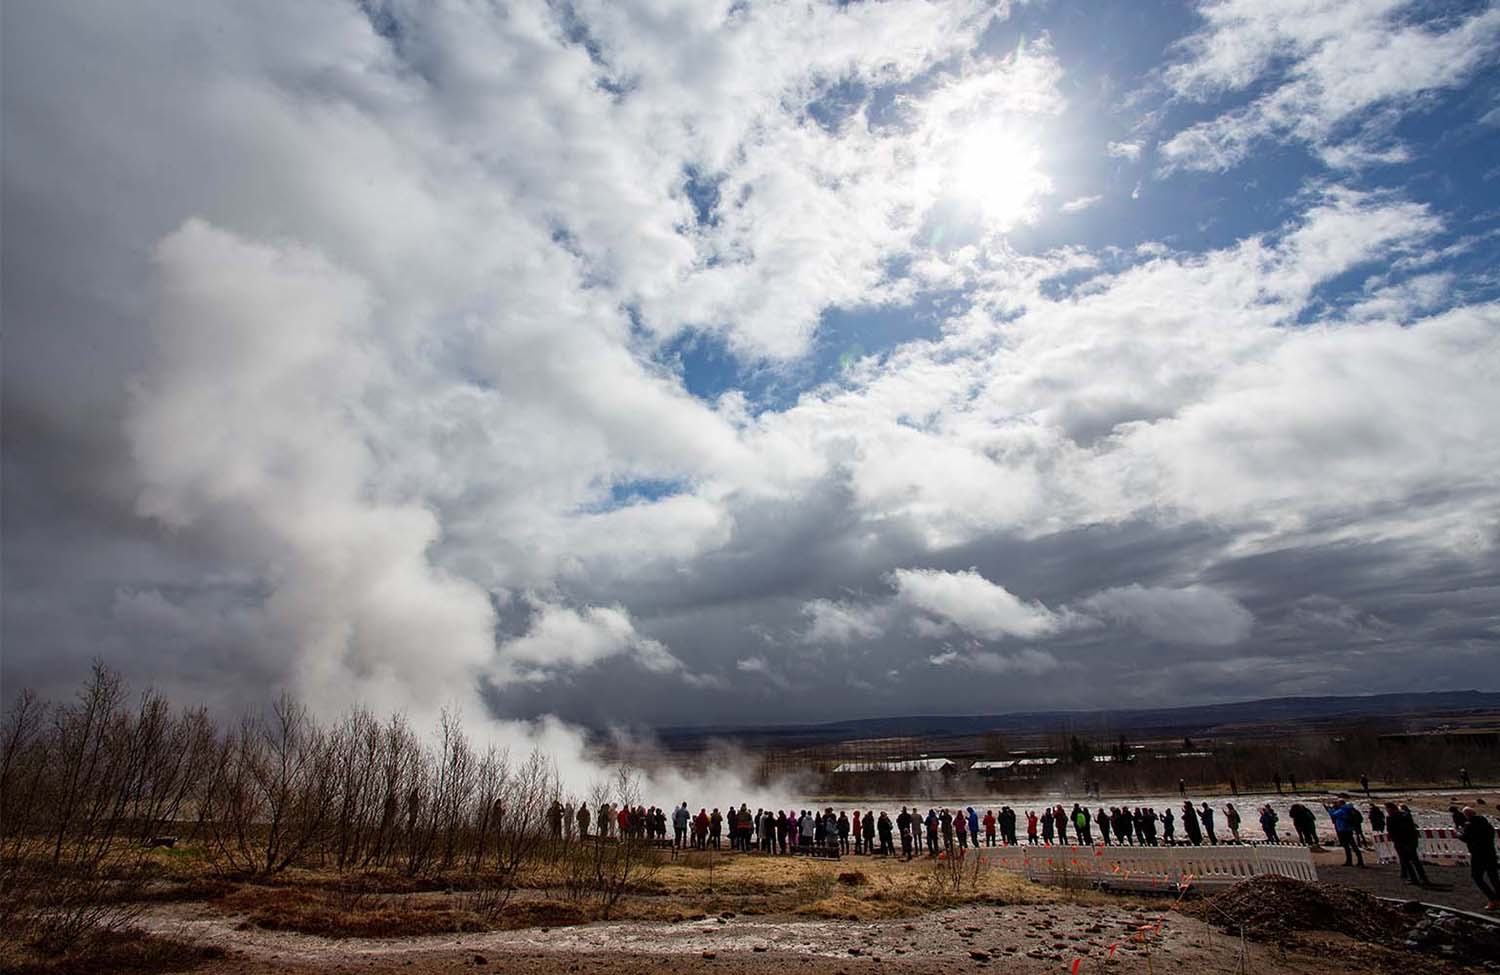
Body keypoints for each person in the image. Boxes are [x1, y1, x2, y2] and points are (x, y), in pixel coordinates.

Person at [1459, 807, 1499, 910]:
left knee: (1477, 876)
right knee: (1494, 877)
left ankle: (1493, 898)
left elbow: (1465, 838)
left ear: (1467, 816)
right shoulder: (1487, 824)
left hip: (1478, 855)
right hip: (1490, 853)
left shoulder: (1470, 826)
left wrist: (1458, 834)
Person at [1385, 802, 1429, 887]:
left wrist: (1394, 839)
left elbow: (1391, 831)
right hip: (1410, 841)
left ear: (1390, 809)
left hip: (1400, 842)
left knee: (1407, 862)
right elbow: (1412, 829)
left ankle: (1414, 878)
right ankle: (1423, 878)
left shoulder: (1391, 818)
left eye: (1387, 809)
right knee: (1415, 861)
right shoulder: (1406, 815)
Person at [1325, 799, 1364, 867]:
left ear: (1341, 803)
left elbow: (1333, 814)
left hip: (1343, 830)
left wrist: (1329, 809)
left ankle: (1349, 861)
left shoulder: (1342, 810)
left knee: (1347, 846)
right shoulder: (1348, 809)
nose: (1336, 804)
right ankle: (1360, 860)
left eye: (1337, 803)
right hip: (1349, 829)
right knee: (1353, 845)